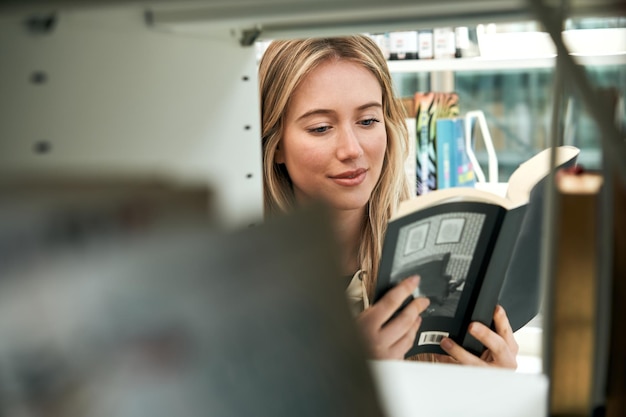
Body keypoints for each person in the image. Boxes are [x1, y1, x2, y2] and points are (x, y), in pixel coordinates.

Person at [258, 35, 518, 367]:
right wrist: (356, 371)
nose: (351, 149)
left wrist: (490, 389)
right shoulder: (245, 284)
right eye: (321, 128)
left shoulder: (434, 264)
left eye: (368, 121)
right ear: (276, 144)